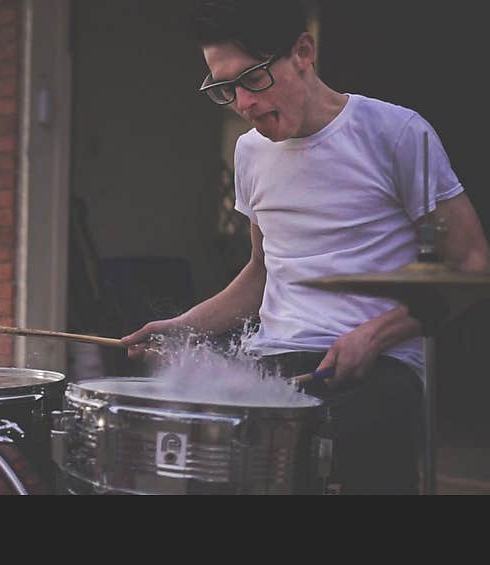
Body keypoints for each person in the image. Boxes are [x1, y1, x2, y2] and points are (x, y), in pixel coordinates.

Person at [120, 0, 490, 494]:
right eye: (225, 89)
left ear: (303, 52)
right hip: (274, 360)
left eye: (252, 79)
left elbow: (471, 264)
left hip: (378, 370)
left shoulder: (395, 132)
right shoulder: (250, 152)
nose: (243, 104)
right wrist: (182, 327)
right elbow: (261, 272)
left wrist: (375, 336)